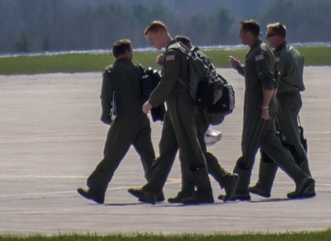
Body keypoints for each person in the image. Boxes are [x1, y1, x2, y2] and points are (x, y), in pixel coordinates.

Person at [223, 19, 315, 201]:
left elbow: (268, 81)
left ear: (249, 33)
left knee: (248, 145)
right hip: (264, 105)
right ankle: (303, 179)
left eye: (241, 32)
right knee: (272, 146)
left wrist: (266, 107)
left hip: (260, 108)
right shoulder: (261, 52)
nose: (240, 35)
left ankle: (238, 187)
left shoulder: (260, 53)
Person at [128, 21, 214, 205]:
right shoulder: (176, 50)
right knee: (166, 149)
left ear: (160, 33)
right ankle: (152, 189)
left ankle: (205, 191)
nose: (152, 44)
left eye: (152, 40)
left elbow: (168, 82)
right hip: (174, 107)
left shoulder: (174, 52)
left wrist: (150, 103)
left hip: (181, 105)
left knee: (191, 148)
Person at [78, 39, 156, 204]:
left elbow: (106, 96)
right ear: (127, 53)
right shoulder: (139, 69)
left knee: (112, 155)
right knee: (148, 156)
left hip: (123, 121)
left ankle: (97, 189)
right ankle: (155, 189)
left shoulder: (111, 72)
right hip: (142, 120)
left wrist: (106, 116)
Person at [168, 35, 234, 202]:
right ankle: (189, 189)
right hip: (202, 109)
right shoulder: (203, 57)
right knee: (190, 151)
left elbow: (192, 86)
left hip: (197, 111)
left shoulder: (194, 59)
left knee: (194, 151)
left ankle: (225, 178)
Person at [247, 22, 308, 197]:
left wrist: (244, 71)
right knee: (273, 141)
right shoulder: (295, 53)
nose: (267, 39)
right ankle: (264, 184)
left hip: (284, 100)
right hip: (287, 98)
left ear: (278, 36)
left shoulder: (281, 57)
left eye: (269, 36)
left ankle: (305, 181)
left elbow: (268, 78)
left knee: (292, 141)